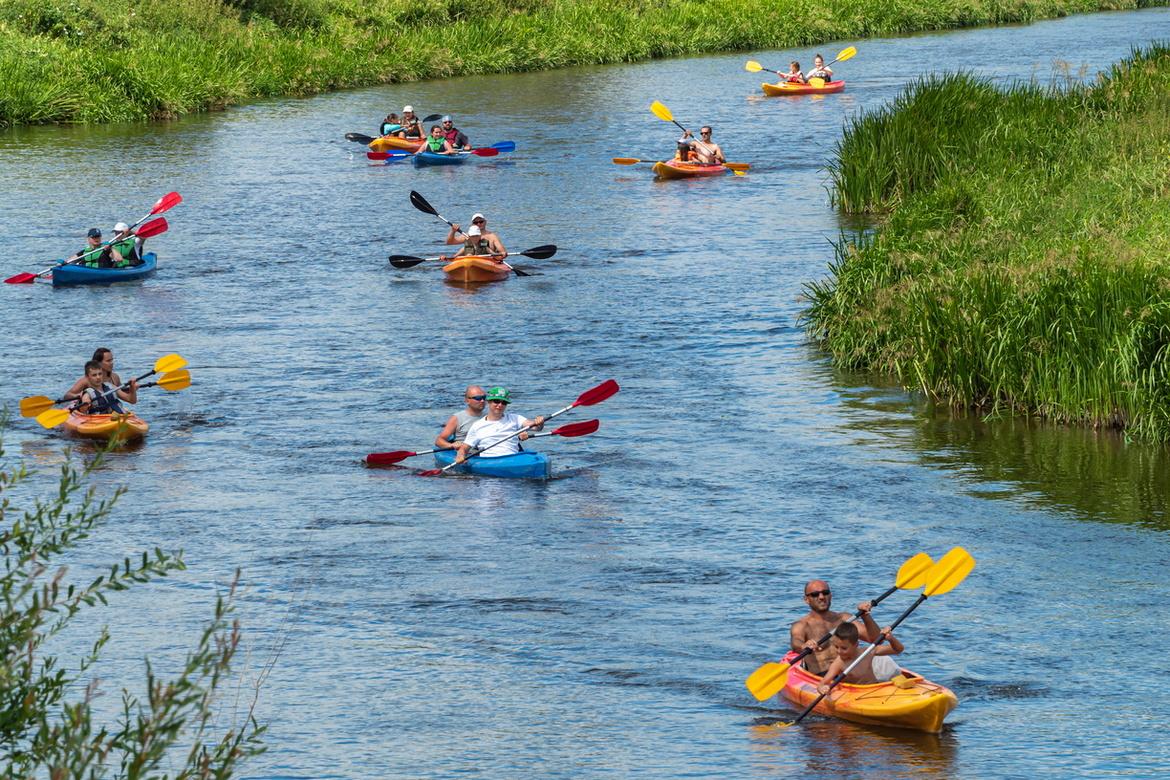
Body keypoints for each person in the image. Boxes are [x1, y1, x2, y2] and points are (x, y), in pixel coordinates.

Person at [789, 579, 880, 676]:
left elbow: (875, 639)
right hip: (822, 677)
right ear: (806, 600)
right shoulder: (802, 625)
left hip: (848, 674)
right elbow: (796, 642)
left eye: (825, 593)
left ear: (830, 596)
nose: (821, 597)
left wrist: (865, 616)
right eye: (815, 594)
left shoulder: (845, 619)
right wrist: (803, 646)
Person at [455, 387, 545, 462]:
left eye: (504, 402)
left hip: (513, 459)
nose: (500, 405)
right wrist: (460, 456)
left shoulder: (515, 418)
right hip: (489, 462)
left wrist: (539, 422)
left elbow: (535, 427)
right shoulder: (477, 426)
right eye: (496, 401)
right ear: (489, 402)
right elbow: (464, 448)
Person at [815, 621, 904, 694]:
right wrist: (823, 689)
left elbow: (898, 650)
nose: (839, 651)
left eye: (844, 648)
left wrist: (891, 639)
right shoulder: (839, 663)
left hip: (876, 688)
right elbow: (822, 684)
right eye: (836, 647)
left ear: (856, 645)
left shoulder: (868, 652)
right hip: (855, 694)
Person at [71, 359, 137, 415]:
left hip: (118, 417)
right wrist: (85, 404)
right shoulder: (87, 394)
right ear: (87, 377)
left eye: (100, 374)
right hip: (101, 421)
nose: (98, 377)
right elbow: (83, 412)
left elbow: (132, 400)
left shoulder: (111, 387)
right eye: (94, 375)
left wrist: (132, 388)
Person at [434, 385, 487, 450]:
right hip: (465, 453)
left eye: (484, 398)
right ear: (467, 400)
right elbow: (439, 441)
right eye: (478, 398)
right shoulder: (457, 418)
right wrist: (451, 445)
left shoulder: (489, 417)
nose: (482, 401)